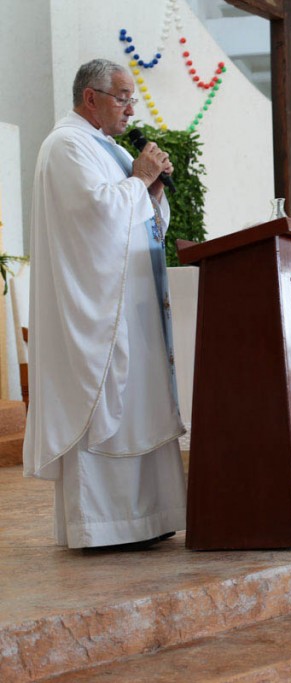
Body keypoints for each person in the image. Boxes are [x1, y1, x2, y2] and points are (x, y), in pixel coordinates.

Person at [22, 59, 186, 550]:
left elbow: (138, 218)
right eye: (122, 98)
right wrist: (139, 180)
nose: (130, 109)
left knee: (141, 404)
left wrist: (153, 187)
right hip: (99, 314)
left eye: (132, 100)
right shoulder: (66, 146)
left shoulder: (109, 148)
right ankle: (102, 525)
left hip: (133, 310)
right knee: (109, 407)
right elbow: (97, 218)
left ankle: (149, 517)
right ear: (90, 98)